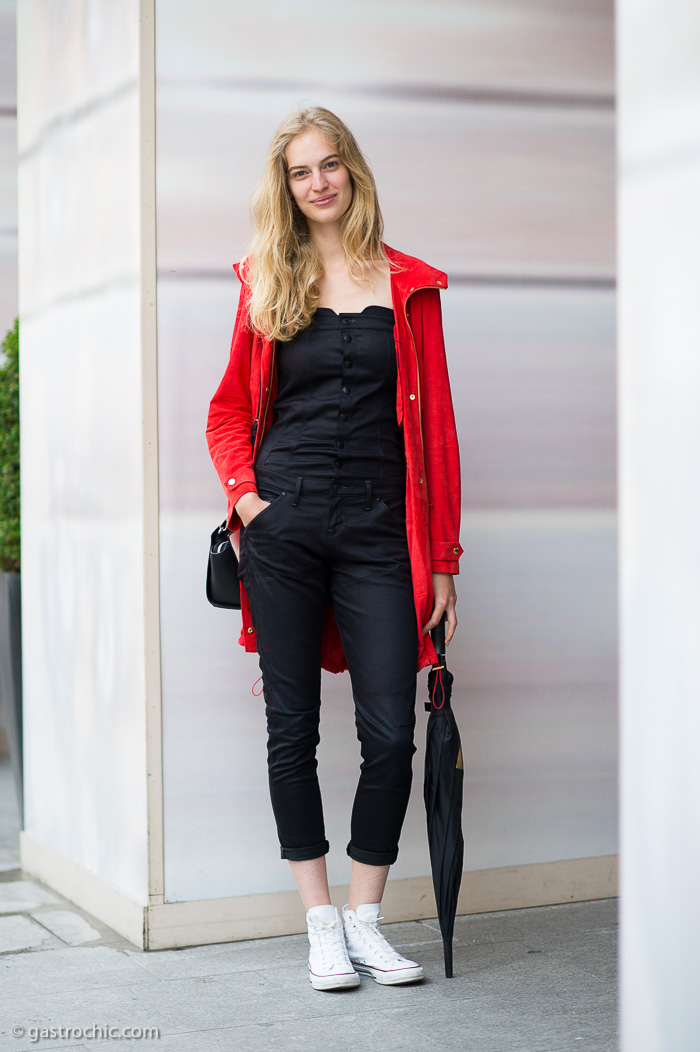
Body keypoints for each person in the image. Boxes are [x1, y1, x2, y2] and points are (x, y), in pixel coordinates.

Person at [206, 106, 462, 990]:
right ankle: (320, 924)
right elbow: (228, 411)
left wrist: (445, 562)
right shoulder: (267, 279)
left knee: (393, 735)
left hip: (382, 532)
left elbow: (437, 440)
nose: (317, 183)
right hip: (285, 528)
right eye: (299, 172)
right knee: (293, 731)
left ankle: (366, 920)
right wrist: (249, 503)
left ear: (353, 171)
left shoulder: (409, 286)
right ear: (285, 188)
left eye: (330, 166)